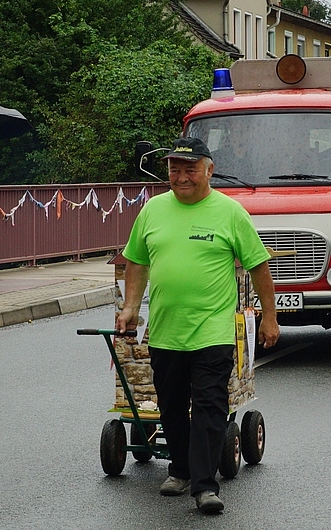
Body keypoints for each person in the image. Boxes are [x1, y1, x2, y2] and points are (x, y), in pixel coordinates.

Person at [116, 137, 279, 515]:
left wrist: (269, 316)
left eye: (190, 169)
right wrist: (130, 307)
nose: (181, 176)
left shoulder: (230, 213)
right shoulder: (153, 210)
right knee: (170, 406)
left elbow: (258, 265)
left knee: (209, 406)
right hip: (166, 330)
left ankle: (206, 487)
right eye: (175, 169)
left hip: (213, 330)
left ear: (209, 170)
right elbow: (136, 262)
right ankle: (181, 470)